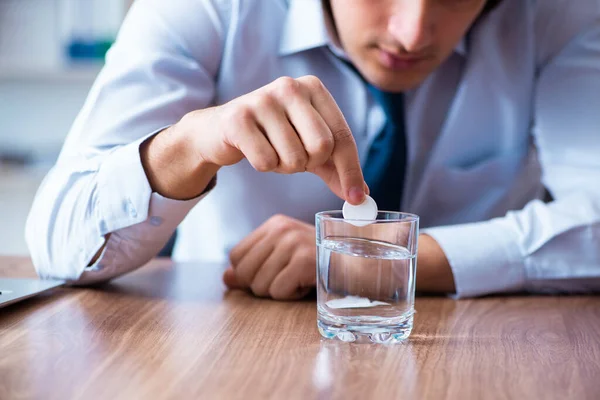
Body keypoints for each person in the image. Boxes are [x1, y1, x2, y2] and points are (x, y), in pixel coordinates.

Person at [26, 0, 600, 299]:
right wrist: (193, 143)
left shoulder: (560, 15)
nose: (412, 33)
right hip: (222, 350)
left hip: (480, 351)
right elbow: (59, 247)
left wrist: (378, 262)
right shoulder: (210, 9)